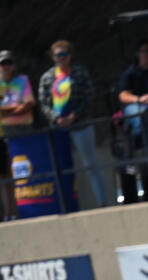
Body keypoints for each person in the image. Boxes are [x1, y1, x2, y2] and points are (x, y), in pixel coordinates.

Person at [38, 40, 108, 208]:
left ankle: (102, 203)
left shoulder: (79, 73)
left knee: (90, 165)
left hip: (81, 124)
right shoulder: (47, 77)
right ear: (52, 57)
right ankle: (63, 206)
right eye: (58, 55)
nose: (61, 58)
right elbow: (43, 102)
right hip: (58, 127)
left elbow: (89, 95)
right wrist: (56, 118)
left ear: (70, 55)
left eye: (65, 54)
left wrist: (74, 115)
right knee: (60, 168)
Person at [0, 50, 35, 220]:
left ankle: (28, 209)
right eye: (2, 64)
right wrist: (16, 107)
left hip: (22, 132)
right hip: (3, 134)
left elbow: (29, 104)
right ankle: (9, 214)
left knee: (22, 172)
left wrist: (7, 111)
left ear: (13, 66)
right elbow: (21, 106)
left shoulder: (23, 80)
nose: (5, 67)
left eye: (8, 63)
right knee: (5, 175)